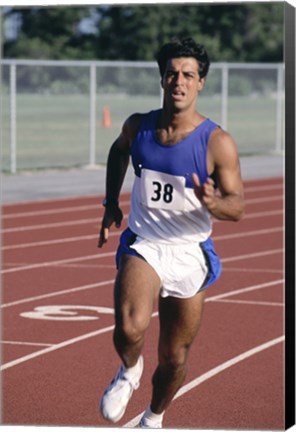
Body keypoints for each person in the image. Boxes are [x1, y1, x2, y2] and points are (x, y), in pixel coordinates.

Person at [98, 37, 245, 428]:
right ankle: (129, 370)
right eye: (172, 73)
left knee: (174, 357)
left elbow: (239, 206)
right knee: (129, 327)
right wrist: (111, 203)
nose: (179, 81)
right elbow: (118, 151)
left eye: (188, 75)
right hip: (146, 242)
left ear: (200, 84)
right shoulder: (138, 126)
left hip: (188, 251)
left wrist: (216, 204)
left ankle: (153, 417)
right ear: (162, 80)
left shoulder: (218, 142)